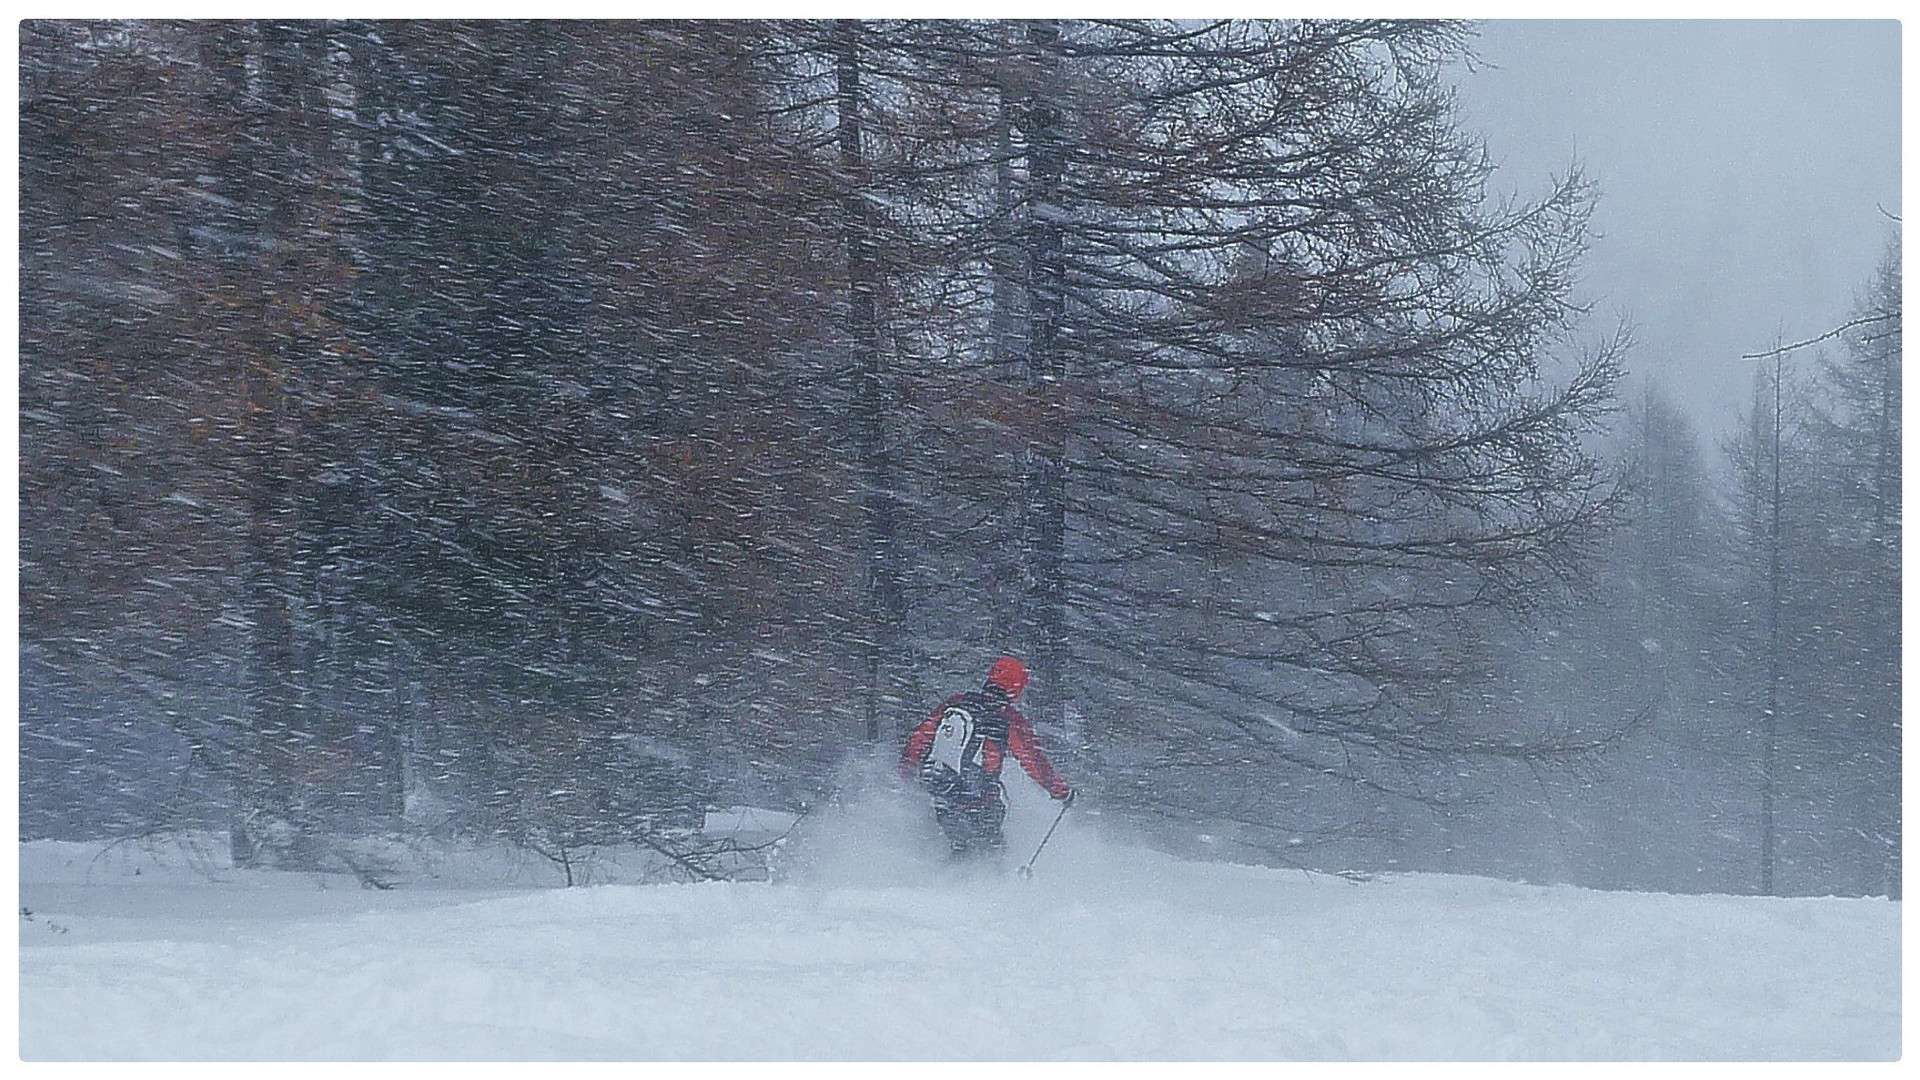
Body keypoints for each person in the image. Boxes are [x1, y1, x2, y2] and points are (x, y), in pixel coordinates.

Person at [899, 655, 1073, 858]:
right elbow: (1033, 761)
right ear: (1016, 687)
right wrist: (1061, 791)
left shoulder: (957, 703)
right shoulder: (1007, 718)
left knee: (960, 849)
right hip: (980, 799)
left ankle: (945, 883)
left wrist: (907, 769)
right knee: (990, 855)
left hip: (943, 793)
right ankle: (988, 887)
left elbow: (920, 738)